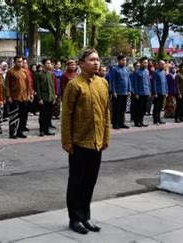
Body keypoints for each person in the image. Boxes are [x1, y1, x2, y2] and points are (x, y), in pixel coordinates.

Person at [61, 48, 110, 235]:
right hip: (79, 142)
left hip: (97, 141)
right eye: (92, 60)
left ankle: (85, 216)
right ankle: (75, 218)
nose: (96, 63)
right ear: (81, 63)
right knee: (76, 182)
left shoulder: (103, 83)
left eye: (97, 59)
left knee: (90, 181)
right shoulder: (74, 85)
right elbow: (66, 115)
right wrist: (67, 141)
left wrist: (106, 137)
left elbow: (106, 112)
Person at [6, 56, 32, 139]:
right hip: (14, 97)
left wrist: (29, 94)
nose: (20, 63)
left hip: (24, 97)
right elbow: (7, 85)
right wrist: (8, 96)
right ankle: (12, 132)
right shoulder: (10, 72)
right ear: (14, 62)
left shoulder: (25, 71)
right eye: (18, 62)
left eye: (21, 62)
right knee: (14, 116)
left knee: (23, 116)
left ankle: (20, 131)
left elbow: (28, 85)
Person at [35, 58, 56, 137]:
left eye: (50, 63)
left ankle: (47, 130)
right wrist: (39, 98)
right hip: (43, 97)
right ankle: (42, 130)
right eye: (47, 63)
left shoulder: (51, 74)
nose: (49, 64)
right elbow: (38, 87)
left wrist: (54, 97)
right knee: (42, 115)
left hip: (50, 97)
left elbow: (52, 86)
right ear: (43, 65)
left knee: (49, 114)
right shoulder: (39, 74)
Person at [109, 55, 131, 129]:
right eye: (122, 60)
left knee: (123, 109)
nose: (124, 62)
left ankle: (122, 123)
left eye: (125, 60)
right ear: (118, 61)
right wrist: (113, 91)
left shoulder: (126, 69)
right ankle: (115, 124)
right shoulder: (115, 69)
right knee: (116, 109)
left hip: (125, 92)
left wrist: (129, 90)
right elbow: (113, 81)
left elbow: (128, 80)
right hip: (117, 92)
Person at [132, 57, 151, 127]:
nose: (146, 64)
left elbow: (148, 82)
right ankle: (137, 122)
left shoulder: (147, 71)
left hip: (146, 92)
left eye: (147, 63)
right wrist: (136, 93)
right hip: (139, 93)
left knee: (144, 108)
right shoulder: (137, 72)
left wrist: (149, 91)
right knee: (138, 108)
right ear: (141, 63)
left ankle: (141, 121)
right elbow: (135, 84)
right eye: (145, 62)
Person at [151, 60, 168, 125]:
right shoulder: (155, 72)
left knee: (161, 106)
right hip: (157, 92)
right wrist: (155, 92)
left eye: (164, 64)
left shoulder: (163, 72)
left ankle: (159, 119)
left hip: (163, 91)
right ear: (158, 65)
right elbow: (154, 83)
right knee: (156, 106)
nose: (163, 66)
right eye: (162, 64)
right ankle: (155, 119)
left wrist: (166, 91)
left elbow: (165, 82)